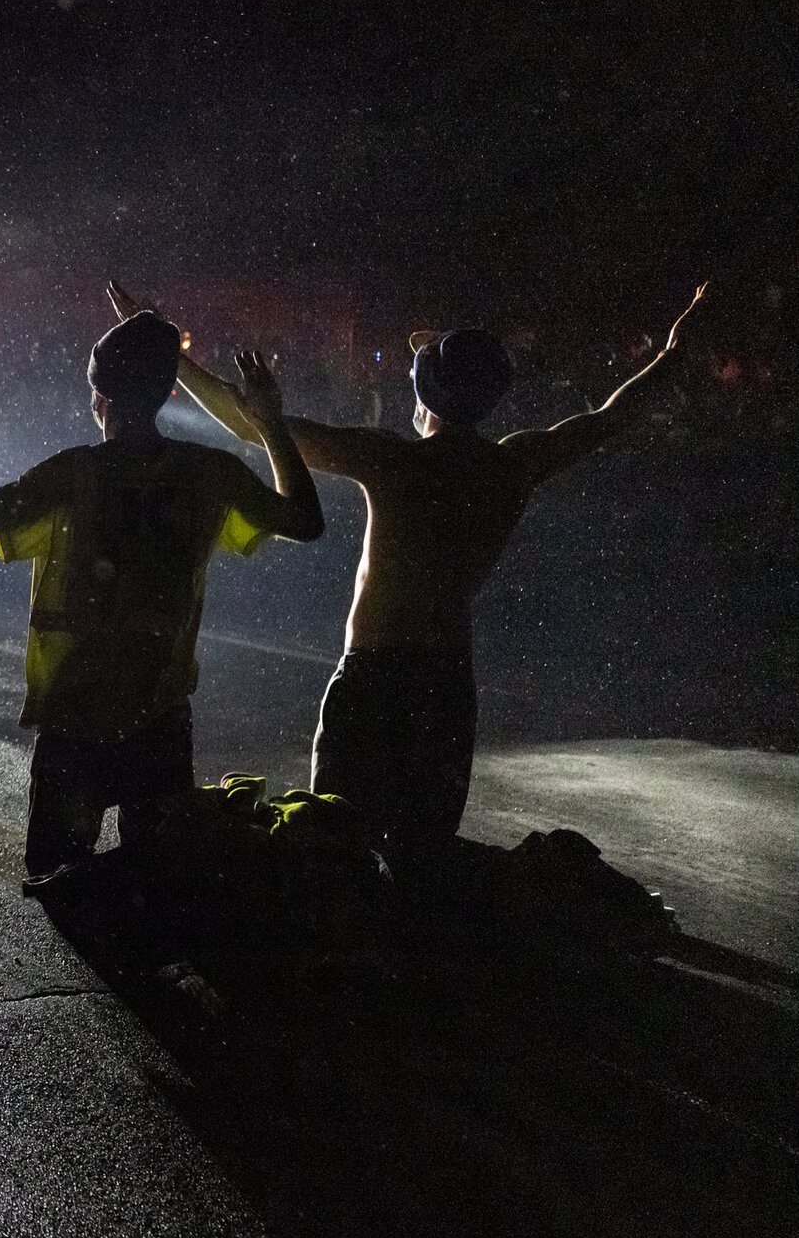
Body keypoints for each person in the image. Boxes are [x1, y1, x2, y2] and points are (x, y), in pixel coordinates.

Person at [157, 278, 706, 870]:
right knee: (423, 855)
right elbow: (611, 416)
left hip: (373, 675)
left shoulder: (393, 460)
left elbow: (249, 425)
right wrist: (672, 357)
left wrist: (168, 357)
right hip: (446, 680)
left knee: (332, 844)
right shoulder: (512, 464)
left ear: (425, 400)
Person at [0, 305, 325, 891]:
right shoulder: (208, 473)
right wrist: (270, 424)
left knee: (58, 881)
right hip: (160, 718)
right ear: (167, 392)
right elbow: (305, 520)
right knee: (158, 882)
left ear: (99, 398)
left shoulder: (73, 474)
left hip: (77, 718)